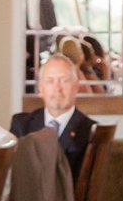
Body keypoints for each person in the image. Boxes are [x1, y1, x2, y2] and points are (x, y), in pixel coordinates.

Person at [10, 52, 97, 185]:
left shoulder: (90, 130)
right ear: (41, 88)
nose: (57, 88)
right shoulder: (22, 126)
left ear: (75, 87)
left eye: (64, 80)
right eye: (50, 81)